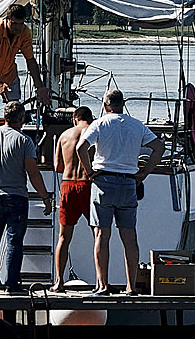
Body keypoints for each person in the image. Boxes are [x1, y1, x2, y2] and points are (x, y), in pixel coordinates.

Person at [84, 88, 159, 294]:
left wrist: (89, 172)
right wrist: (144, 173)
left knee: (101, 234)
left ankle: (103, 285)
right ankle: (131, 286)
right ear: (123, 104)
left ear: (105, 105)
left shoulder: (99, 124)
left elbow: (81, 147)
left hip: (103, 182)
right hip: (128, 183)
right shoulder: (137, 125)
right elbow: (158, 147)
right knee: (129, 237)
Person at [0, 102, 52, 292]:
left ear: (4, 117)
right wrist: (45, 197)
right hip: (17, 197)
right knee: (14, 243)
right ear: (22, 119)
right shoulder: (25, 141)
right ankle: (11, 285)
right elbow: (33, 173)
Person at [0, 2, 45, 136]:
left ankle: (12, 138)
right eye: (14, 24)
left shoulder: (24, 32)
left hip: (7, 70)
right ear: (7, 19)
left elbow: (30, 60)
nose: (17, 28)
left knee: (15, 108)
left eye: (21, 24)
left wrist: (39, 86)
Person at [51, 105, 95, 288]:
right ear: (90, 118)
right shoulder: (94, 132)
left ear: (75, 119)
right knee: (98, 235)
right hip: (88, 185)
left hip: (68, 185)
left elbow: (58, 167)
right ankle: (101, 282)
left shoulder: (64, 135)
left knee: (63, 237)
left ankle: (59, 281)